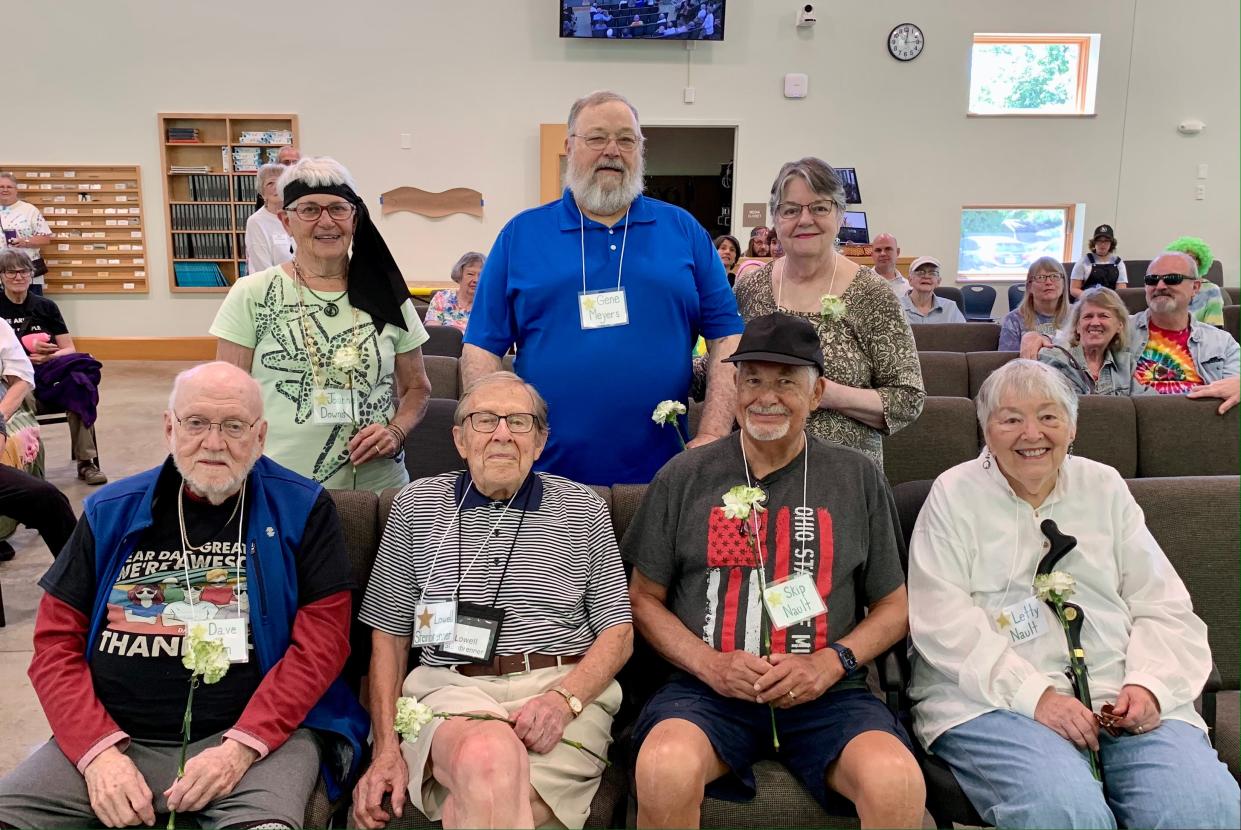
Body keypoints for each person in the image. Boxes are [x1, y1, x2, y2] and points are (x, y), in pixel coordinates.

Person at [0, 362, 368, 829]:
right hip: (115, 737)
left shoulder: (302, 508)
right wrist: (97, 754)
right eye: (196, 423)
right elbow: (54, 645)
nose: (214, 443)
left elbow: (323, 645)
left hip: (251, 743)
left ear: (260, 436)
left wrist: (240, 747)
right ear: (170, 428)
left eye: (234, 426)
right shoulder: (110, 509)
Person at [907, 359, 1239, 829]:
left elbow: (1162, 603)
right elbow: (940, 621)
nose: (1031, 434)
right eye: (1010, 419)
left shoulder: (1103, 486)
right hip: (993, 702)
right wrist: (1035, 695)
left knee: (1202, 808)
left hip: (1117, 694)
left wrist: (1149, 684)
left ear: (1073, 427)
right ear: (986, 429)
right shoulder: (955, 493)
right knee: (1064, 812)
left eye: (1048, 416)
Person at [626, 313, 925, 829]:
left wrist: (831, 664)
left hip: (830, 694)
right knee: (662, 767)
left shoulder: (857, 476)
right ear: (735, 387)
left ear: (818, 393)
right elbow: (642, 598)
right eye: (753, 379)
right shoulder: (685, 475)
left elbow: (894, 607)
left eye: (787, 381)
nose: (767, 396)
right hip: (707, 692)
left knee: (896, 780)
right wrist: (709, 664)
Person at [351, 372, 632, 830]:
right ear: (459, 439)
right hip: (450, 688)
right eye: (485, 421)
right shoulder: (416, 506)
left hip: (559, 689)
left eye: (519, 422)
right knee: (490, 753)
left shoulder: (583, 509)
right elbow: (389, 637)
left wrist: (563, 702)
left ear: (540, 442)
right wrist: (385, 749)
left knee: (481, 796)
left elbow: (619, 635)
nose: (502, 433)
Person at [462, 90, 743, 486]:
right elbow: (481, 348)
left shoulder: (683, 231)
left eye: (626, 139)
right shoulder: (521, 235)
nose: (612, 150)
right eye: (596, 138)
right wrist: (487, 435)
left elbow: (727, 336)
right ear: (570, 146)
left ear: (640, 150)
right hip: (543, 476)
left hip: (665, 477)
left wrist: (714, 434)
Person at [211, 156, 433, 491]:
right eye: (310, 210)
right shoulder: (252, 294)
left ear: (354, 219)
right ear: (286, 221)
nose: (326, 221)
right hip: (281, 488)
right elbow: (226, 398)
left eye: (338, 209)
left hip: (378, 489)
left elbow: (418, 387)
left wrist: (395, 432)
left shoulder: (388, 296)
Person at [733, 158, 924, 467]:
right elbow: (730, 372)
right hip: (756, 470)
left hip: (843, 475)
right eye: (791, 209)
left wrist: (821, 393)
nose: (804, 220)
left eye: (819, 208)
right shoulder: (750, 288)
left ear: (840, 215)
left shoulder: (872, 293)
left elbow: (908, 399)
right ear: (775, 219)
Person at [0, 248, 106, 485]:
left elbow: (69, 348)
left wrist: (49, 356)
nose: (18, 277)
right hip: (12, 378)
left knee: (81, 386)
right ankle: (30, 465)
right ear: (1, 276)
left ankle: (86, 462)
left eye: (23, 271)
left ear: (31, 274)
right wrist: (22, 361)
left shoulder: (46, 306)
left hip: (48, 373)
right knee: (21, 395)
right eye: (11, 272)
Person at [1129, 251, 1239, 413]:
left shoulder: (1221, 342)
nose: (1160, 286)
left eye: (1172, 279)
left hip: (1199, 425)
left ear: (1195, 287)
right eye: (1152, 280)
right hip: (1136, 424)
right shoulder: (1118, 331)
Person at [1038, 286, 1148, 396]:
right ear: (1077, 326)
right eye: (1088, 316)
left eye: (1103, 316)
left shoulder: (1126, 364)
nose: (1095, 322)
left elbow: (1147, 403)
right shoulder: (1055, 359)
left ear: (1119, 326)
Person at [998, 257, 1070, 357]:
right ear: (1029, 286)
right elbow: (1007, 362)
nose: (1049, 282)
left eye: (1055, 276)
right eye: (1040, 277)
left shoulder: (1078, 315)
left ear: (1064, 283)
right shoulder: (1013, 320)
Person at [0, 172, 52, 296]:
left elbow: (46, 238)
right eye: (1, 187)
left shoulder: (29, 210)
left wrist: (25, 242)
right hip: (1, 272)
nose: (5, 190)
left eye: (9, 187)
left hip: (26, 275)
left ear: (16, 190)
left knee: (32, 312)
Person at [245, 163, 296, 273]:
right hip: (271, 284)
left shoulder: (296, 215)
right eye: (270, 183)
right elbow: (262, 267)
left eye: (280, 182)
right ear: (262, 193)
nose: (276, 187)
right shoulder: (256, 222)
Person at [1168, 235, 1227, 327]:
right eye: (1182, 257)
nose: (1186, 261)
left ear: (1200, 262)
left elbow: (1215, 330)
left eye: (1191, 257)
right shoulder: (1167, 285)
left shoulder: (1211, 291)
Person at [424, 252, 484, 332]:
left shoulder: (488, 305)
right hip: (444, 343)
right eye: (470, 274)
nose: (476, 280)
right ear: (459, 275)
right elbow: (433, 333)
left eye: (481, 275)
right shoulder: (441, 298)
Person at [899, 256, 965, 325]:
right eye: (920, 272)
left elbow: (964, 334)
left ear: (938, 281)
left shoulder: (950, 308)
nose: (926, 276)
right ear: (910, 280)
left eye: (932, 273)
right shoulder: (896, 307)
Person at [1069, 224, 1127, 299]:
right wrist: (1092, 299)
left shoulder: (1118, 263)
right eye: (1099, 241)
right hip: (1088, 301)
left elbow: (1121, 290)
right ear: (1094, 243)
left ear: (1111, 243)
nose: (1102, 244)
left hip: (1111, 302)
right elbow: (1073, 289)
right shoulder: (1084, 261)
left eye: (1106, 241)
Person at [870, 233, 908, 297]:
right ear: (872, 255)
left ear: (897, 252)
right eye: (878, 250)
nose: (883, 254)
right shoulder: (861, 284)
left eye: (888, 249)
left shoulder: (908, 287)